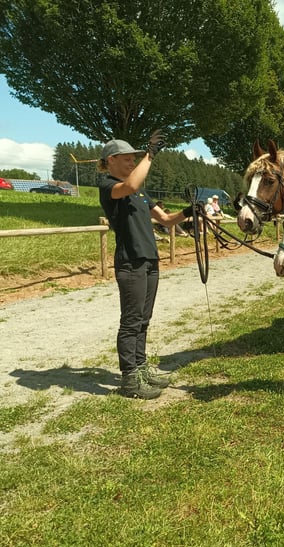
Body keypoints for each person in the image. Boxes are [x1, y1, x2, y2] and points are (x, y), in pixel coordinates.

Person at [98, 132, 193, 399]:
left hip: (150, 260)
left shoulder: (140, 192)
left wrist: (188, 211)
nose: (132, 163)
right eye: (128, 159)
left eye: (134, 159)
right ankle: (130, 380)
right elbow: (127, 186)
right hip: (130, 262)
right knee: (131, 321)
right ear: (112, 160)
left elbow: (166, 220)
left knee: (144, 319)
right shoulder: (108, 186)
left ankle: (141, 367)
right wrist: (150, 154)